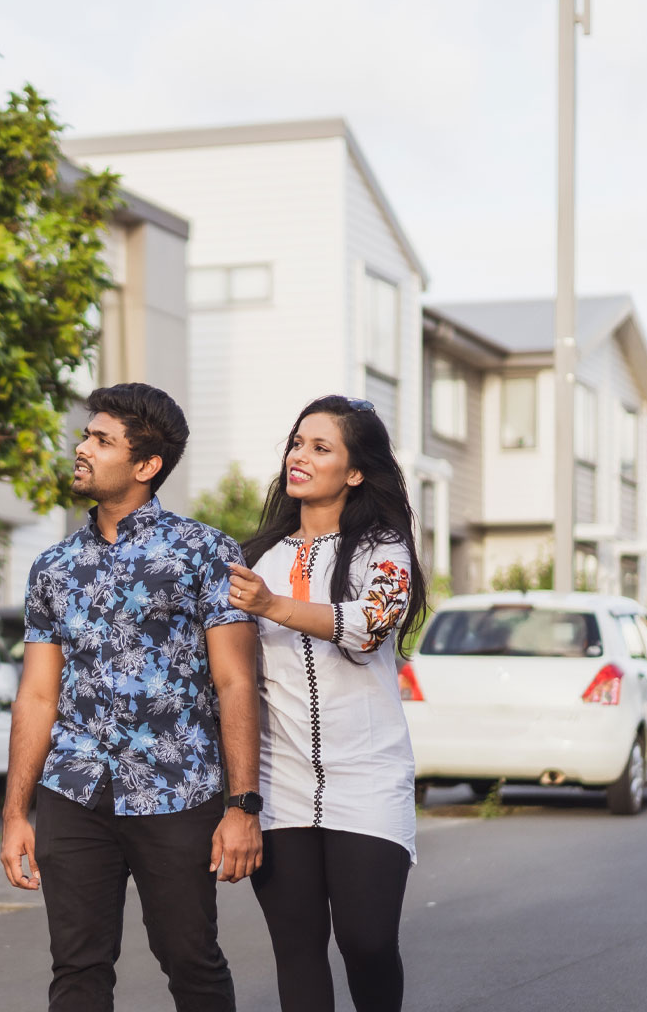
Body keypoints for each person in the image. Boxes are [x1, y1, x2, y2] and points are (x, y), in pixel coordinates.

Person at [0, 382, 265, 1012]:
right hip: (74, 792)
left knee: (191, 962)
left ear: (146, 466)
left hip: (177, 792)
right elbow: (37, 695)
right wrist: (15, 813)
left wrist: (242, 805)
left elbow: (235, 682)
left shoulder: (204, 553)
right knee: (77, 970)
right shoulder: (54, 567)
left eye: (100, 439)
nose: (80, 447)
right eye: (86, 434)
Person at [226, 394, 429, 1012]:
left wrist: (273, 607)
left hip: (368, 779)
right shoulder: (258, 556)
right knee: (298, 950)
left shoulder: (383, 552)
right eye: (296, 443)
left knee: (367, 943)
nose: (300, 457)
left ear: (356, 470)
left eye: (321, 447)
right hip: (280, 782)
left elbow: (369, 626)